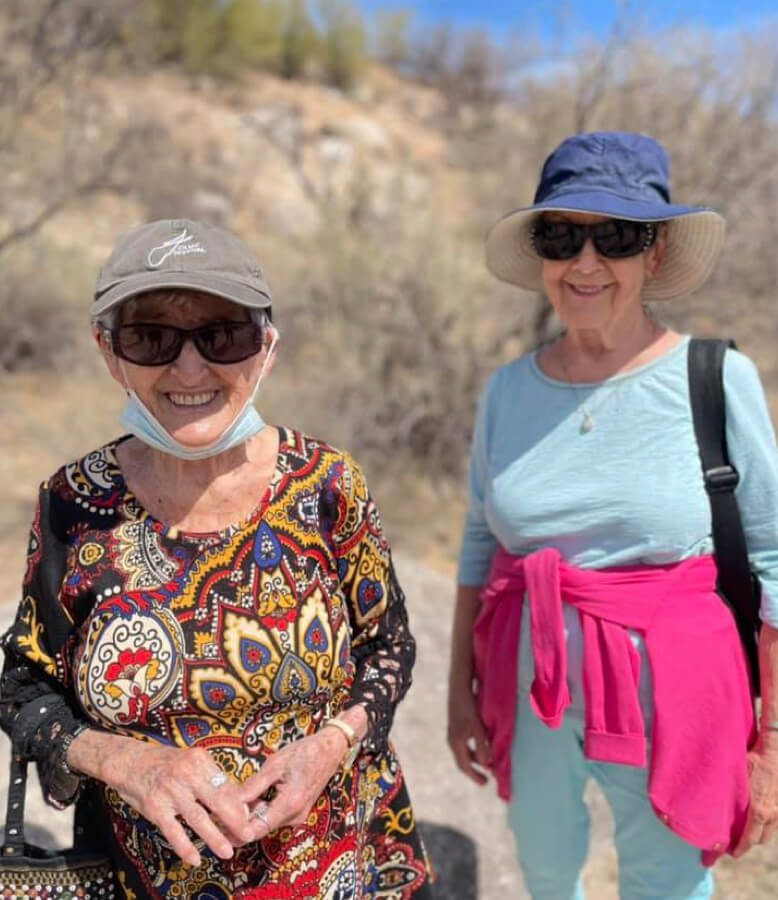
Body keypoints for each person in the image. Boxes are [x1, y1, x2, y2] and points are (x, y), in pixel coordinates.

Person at [0, 218, 433, 899]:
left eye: (221, 335)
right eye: (151, 337)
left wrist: (332, 746)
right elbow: (24, 686)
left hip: (340, 873)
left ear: (267, 347)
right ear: (109, 353)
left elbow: (389, 647)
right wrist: (125, 761)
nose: (191, 368)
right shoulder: (70, 504)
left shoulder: (327, 486)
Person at [446, 131, 778, 899]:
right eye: (562, 237)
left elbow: (770, 560)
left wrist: (773, 744)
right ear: (541, 256)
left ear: (654, 254)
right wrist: (460, 687)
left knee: (665, 881)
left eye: (617, 237)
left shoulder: (716, 378)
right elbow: (476, 541)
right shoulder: (507, 391)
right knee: (545, 867)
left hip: (679, 682)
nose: (586, 264)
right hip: (530, 677)